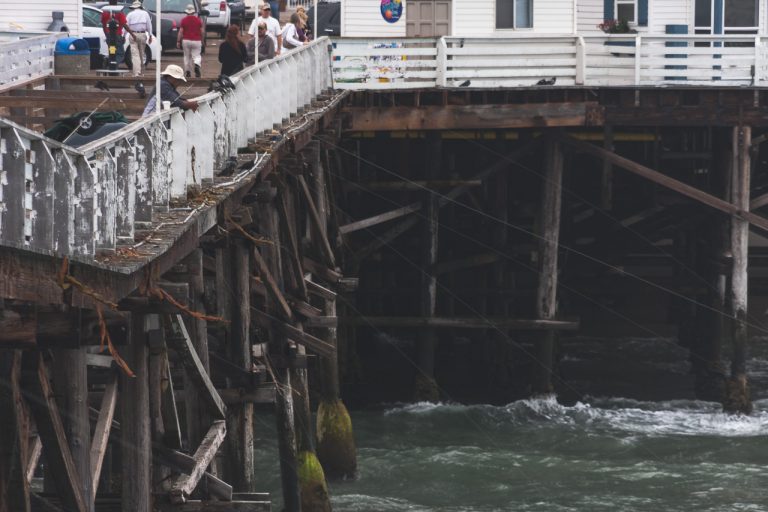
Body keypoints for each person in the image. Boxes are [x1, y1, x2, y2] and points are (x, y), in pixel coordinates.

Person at [100, 0, 135, 67]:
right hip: (117, 36)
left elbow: (104, 25)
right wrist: (132, 34)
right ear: (116, 3)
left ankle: (109, 62)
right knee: (120, 53)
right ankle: (113, 64)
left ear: (109, 2)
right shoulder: (119, 13)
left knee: (112, 52)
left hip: (108, 35)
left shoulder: (105, 13)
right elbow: (124, 24)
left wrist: (107, 35)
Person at [125, 1, 153, 79]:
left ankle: (136, 72)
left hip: (133, 34)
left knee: (135, 55)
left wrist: (123, 36)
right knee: (142, 54)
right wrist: (150, 35)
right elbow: (149, 25)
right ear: (140, 7)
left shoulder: (130, 14)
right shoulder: (145, 14)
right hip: (142, 34)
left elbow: (126, 25)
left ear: (133, 7)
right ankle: (141, 72)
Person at [177, 4, 204, 78]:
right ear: (193, 12)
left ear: (187, 12)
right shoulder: (198, 20)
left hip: (186, 40)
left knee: (186, 56)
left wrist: (178, 41)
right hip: (197, 40)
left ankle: (188, 71)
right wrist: (202, 39)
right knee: (197, 55)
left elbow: (181, 31)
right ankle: (196, 64)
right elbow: (202, 31)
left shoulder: (184, 20)